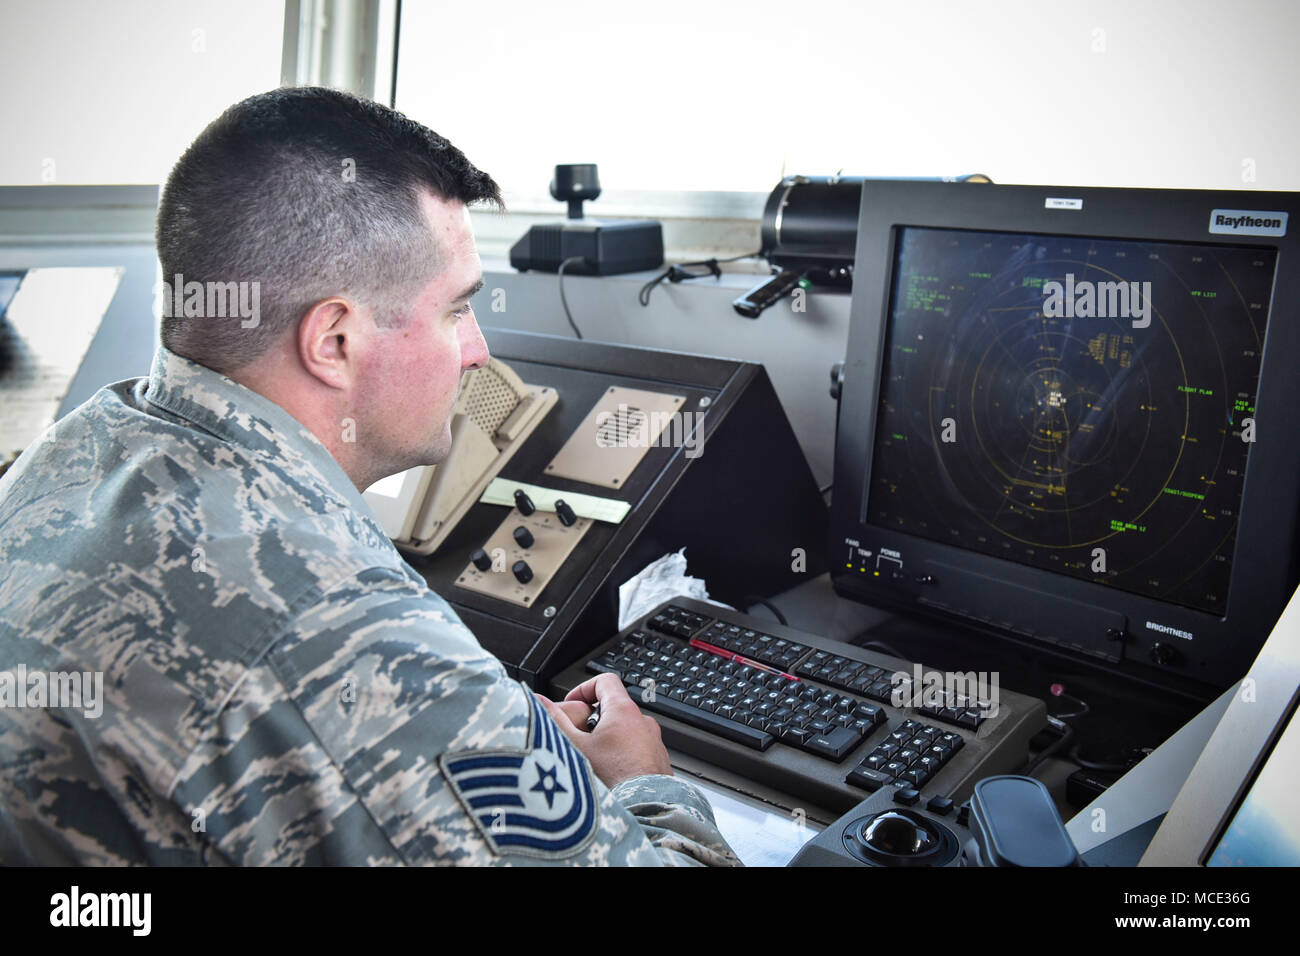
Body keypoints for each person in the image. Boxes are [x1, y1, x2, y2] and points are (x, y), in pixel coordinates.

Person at [0, 87, 740, 866]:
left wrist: (477, 726)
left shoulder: (70, 454)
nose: (478, 351)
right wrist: (643, 784)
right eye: (457, 311)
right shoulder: (343, 633)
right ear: (336, 340)